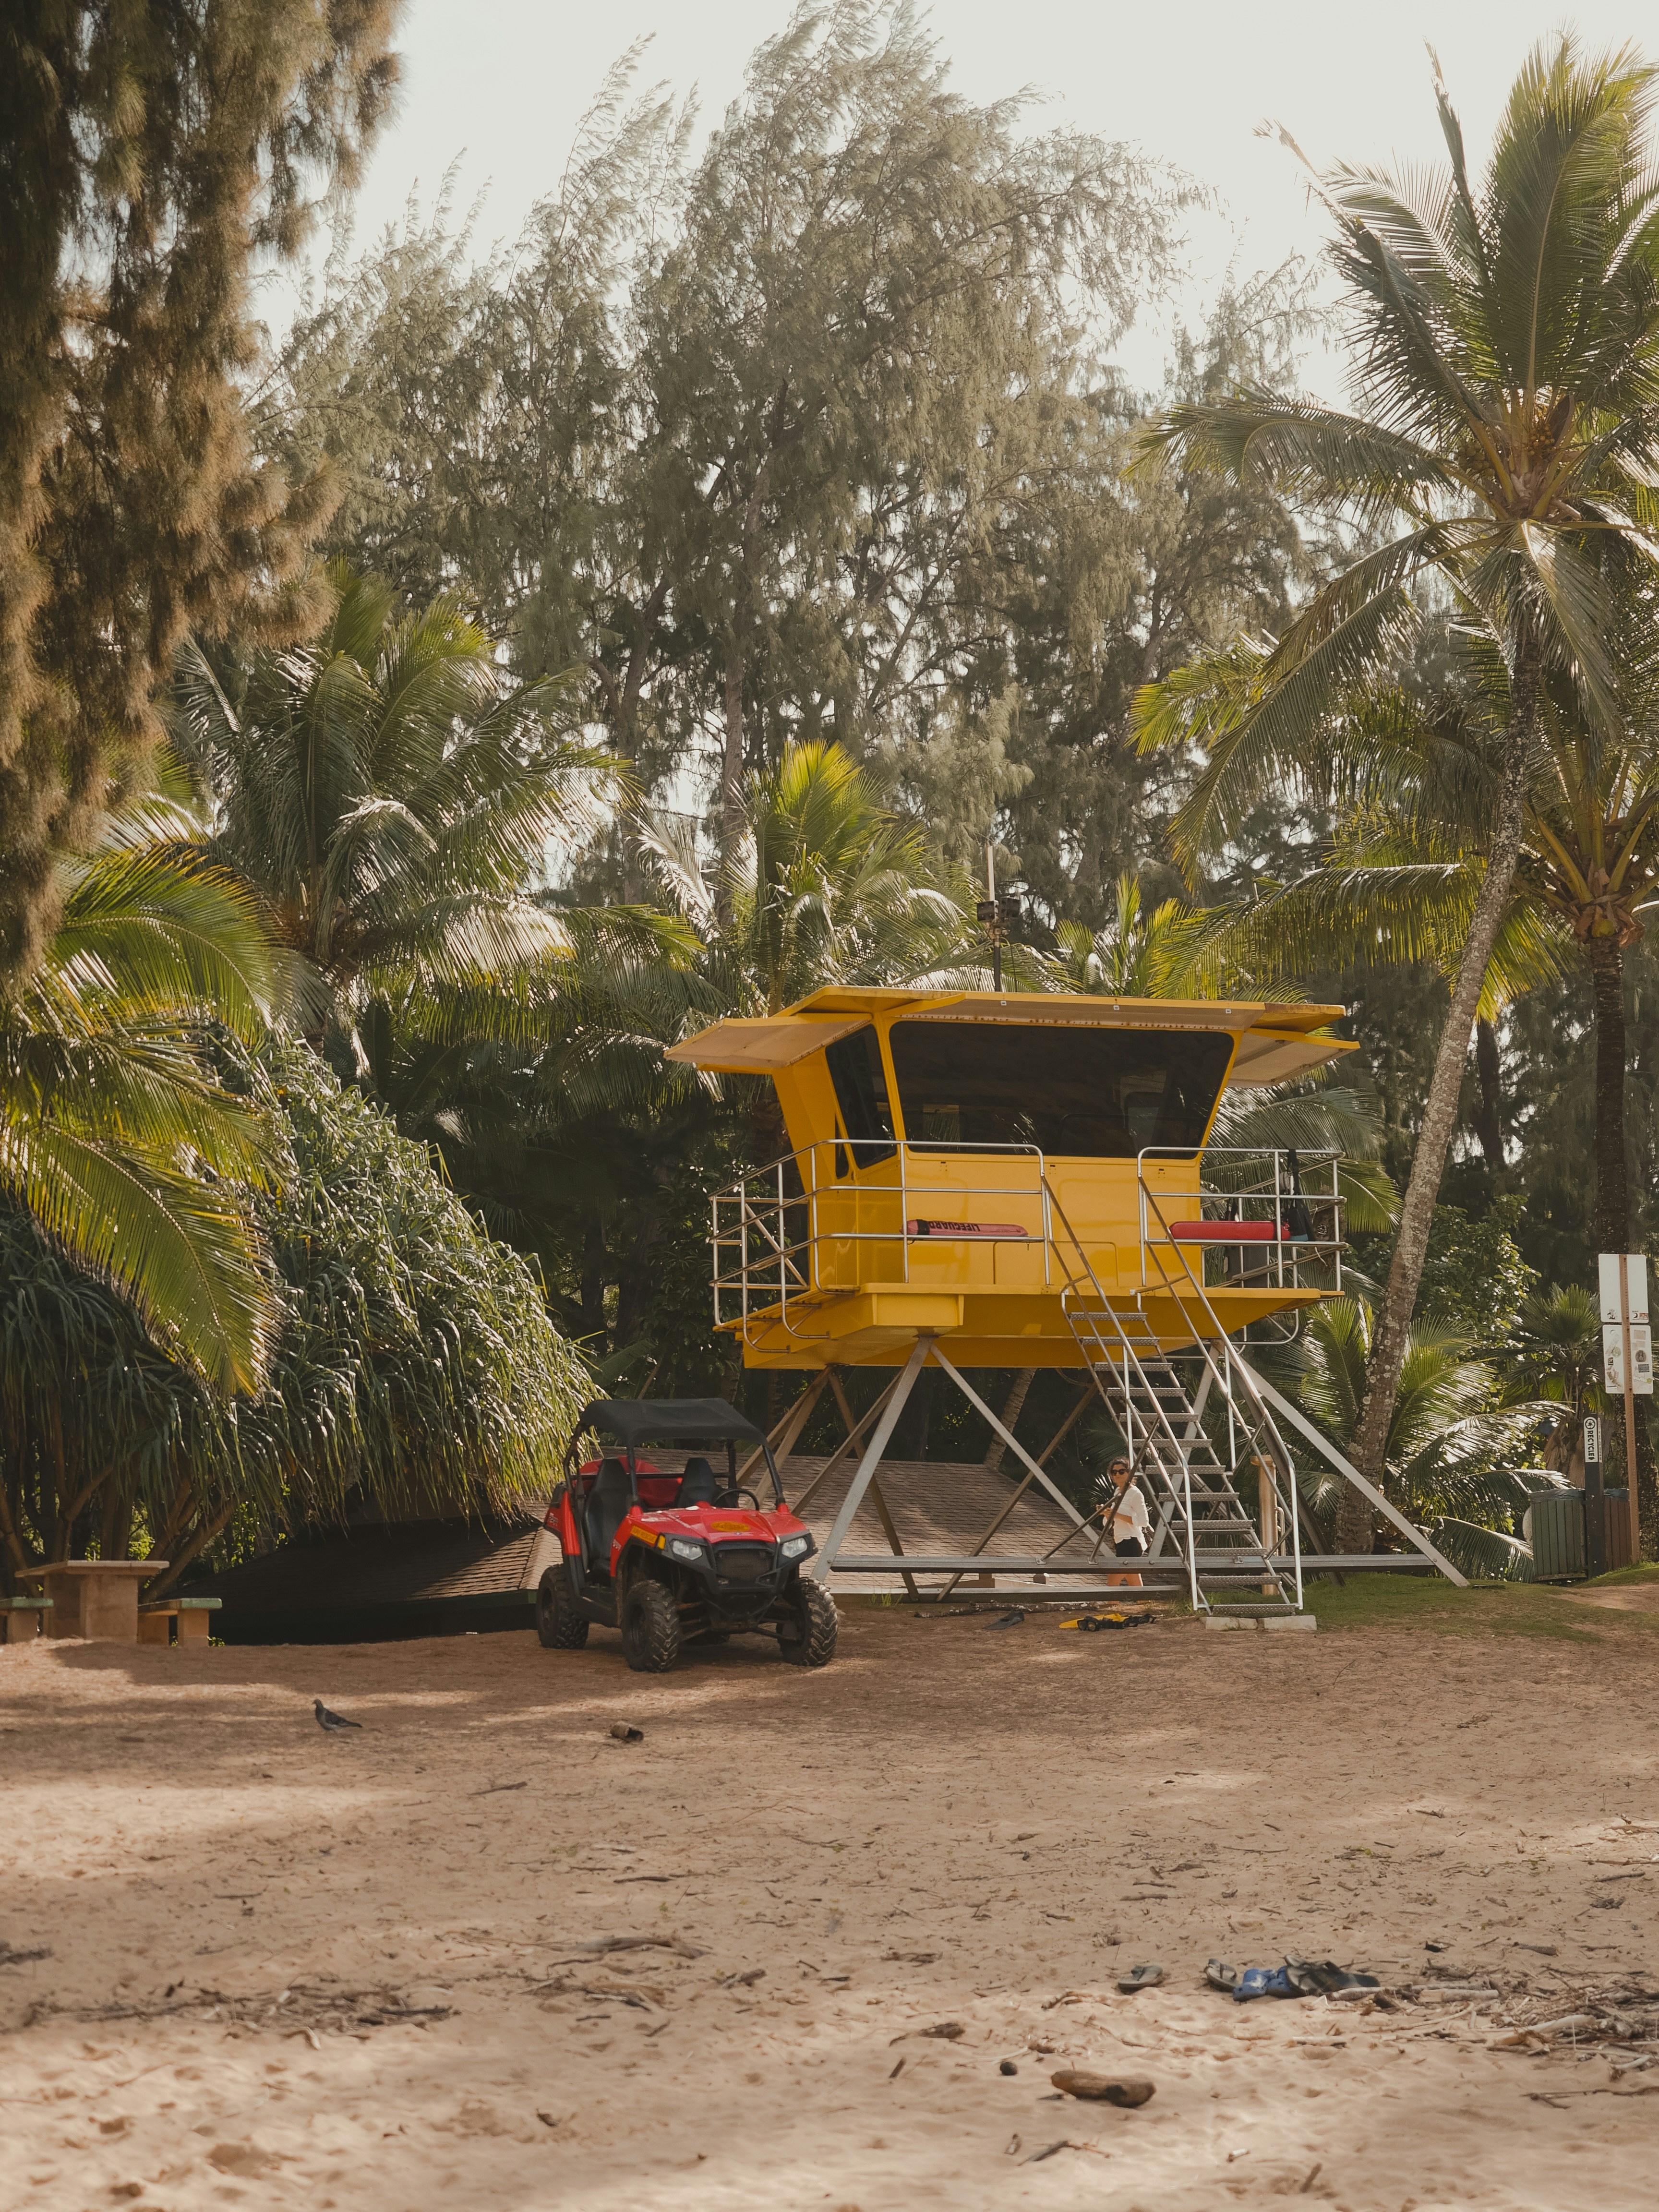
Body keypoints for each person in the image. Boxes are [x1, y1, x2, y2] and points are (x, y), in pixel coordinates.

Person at [1099, 1455, 1150, 1588]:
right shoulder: (1117, 1492)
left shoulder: (1135, 1494)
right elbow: (1109, 1523)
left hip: (1132, 1542)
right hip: (1120, 1541)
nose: (1117, 1475)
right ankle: (1144, 1602)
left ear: (1129, 1473)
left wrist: (1117, 1514)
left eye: (1121, 1471)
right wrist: (1107, 1514)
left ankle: (1111, 1604)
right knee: (1133, 1579)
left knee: (1113, 1577)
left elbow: (1144, 1521)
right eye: (1114, 1472)